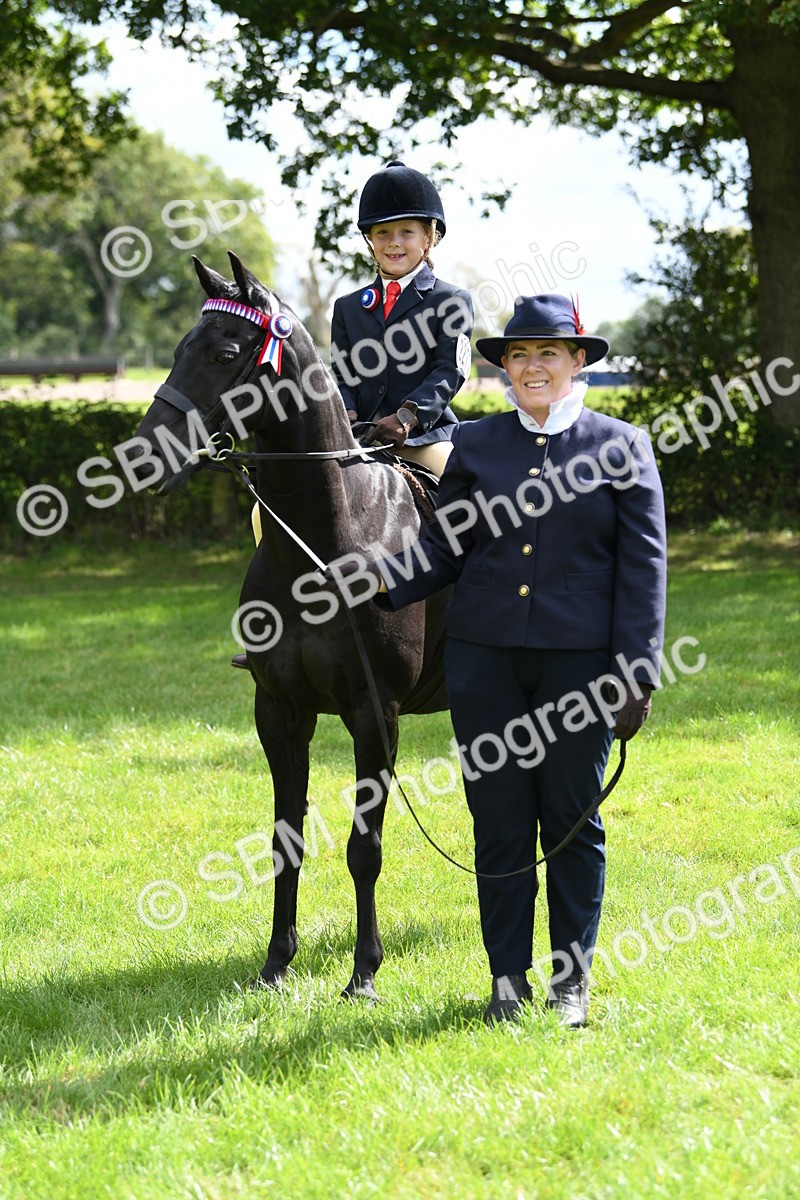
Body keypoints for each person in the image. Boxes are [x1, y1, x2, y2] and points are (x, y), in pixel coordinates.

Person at [359, 293, 667, 1027]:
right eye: (519, 355)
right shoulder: (477, 443)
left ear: (576, 361)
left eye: (547, 354)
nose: (532, 367)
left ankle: (571, 981)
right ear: (504, 368)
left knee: (571, 821)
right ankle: (506, 978)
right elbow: (445, 548)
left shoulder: (623, 445)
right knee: (497, 822)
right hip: (484, 665)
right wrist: (378, 583)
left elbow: (644, 570)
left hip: (580, 670)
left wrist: (636, 674)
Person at [330, 159, 474, 477]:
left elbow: (450, 370)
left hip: (422, 437)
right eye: (382, 233)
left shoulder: (451, 301)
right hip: (357, 437)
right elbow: (342, 372)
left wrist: (407, 416)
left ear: (428, 239)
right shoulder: (347, 307)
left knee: (461, 485)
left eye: (406, 232)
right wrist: (348, 413)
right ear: (371, 240)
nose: (394, 241)